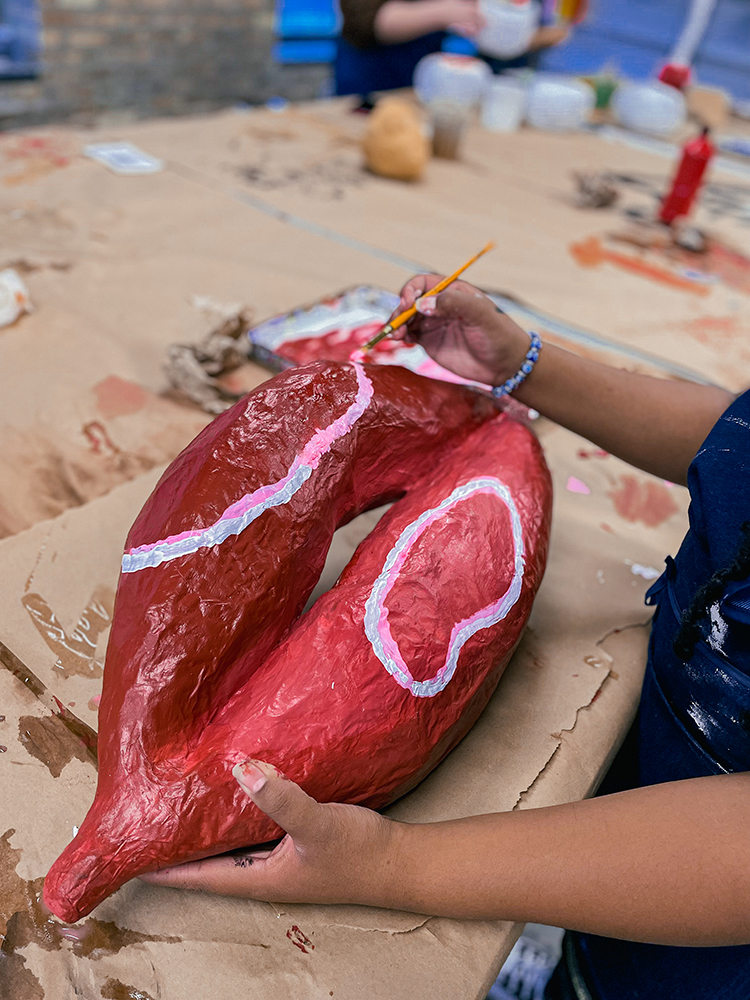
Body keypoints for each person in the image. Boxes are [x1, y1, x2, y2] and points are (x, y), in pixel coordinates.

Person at [143, 277, 750, 1000]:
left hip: (702, 929)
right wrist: (522, 363)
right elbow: (736, 439)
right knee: (597, 916)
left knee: (621, 976)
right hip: (664, 767)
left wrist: (395, 864)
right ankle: (574, 942)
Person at [336, 1, 568, 101]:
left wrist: (514, 28)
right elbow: (364, 22)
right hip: (369, 80)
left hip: (420, 88)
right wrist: (446, 11)